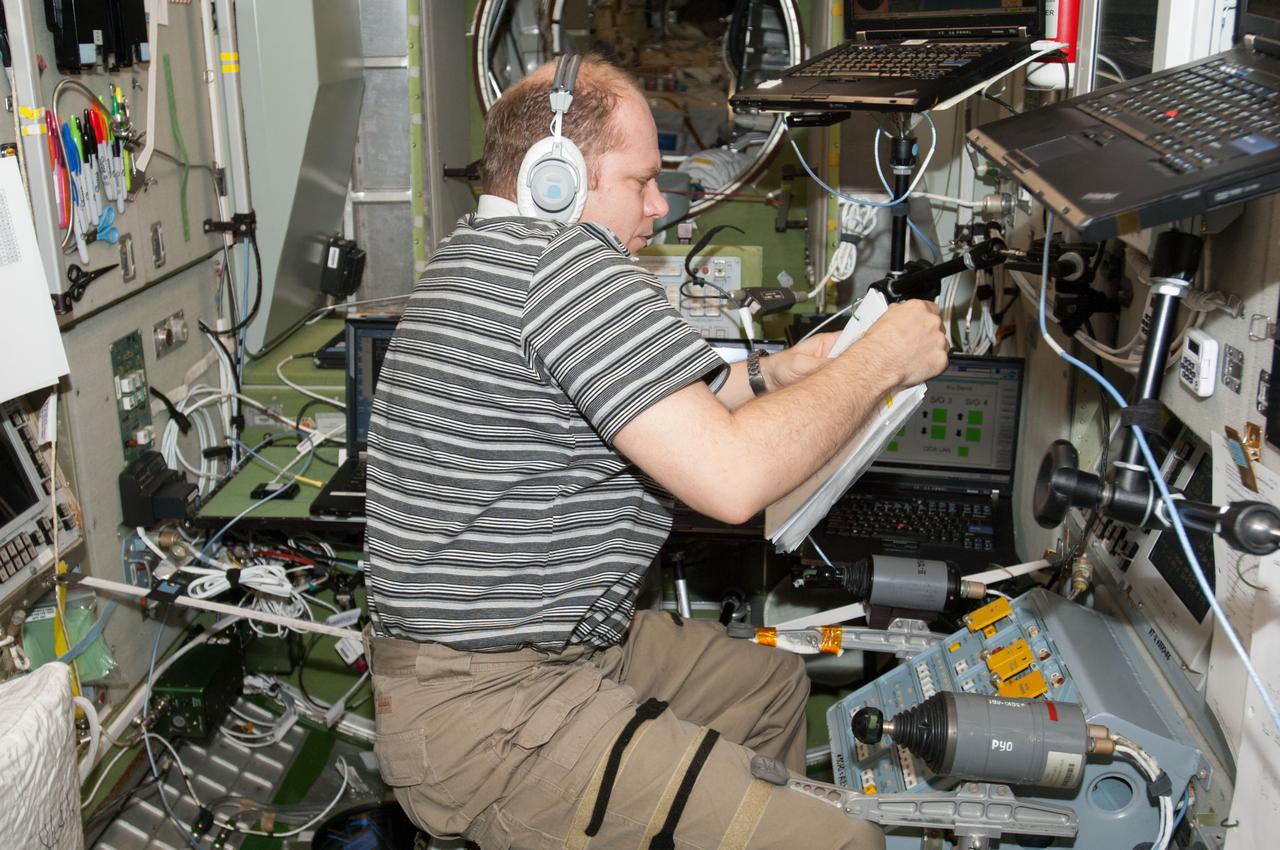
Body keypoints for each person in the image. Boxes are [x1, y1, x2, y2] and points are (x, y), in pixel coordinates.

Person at [364, 54, 948, 850]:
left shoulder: (480, 257)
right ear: (556, 178)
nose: (659, 203)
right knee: (844, 841)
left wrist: (772, 373)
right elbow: (732, 480)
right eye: (640, 179)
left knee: (770, 687)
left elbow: (640, 405)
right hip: (496, 708)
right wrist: (882, 361)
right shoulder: (562, 269)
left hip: (540, 653)